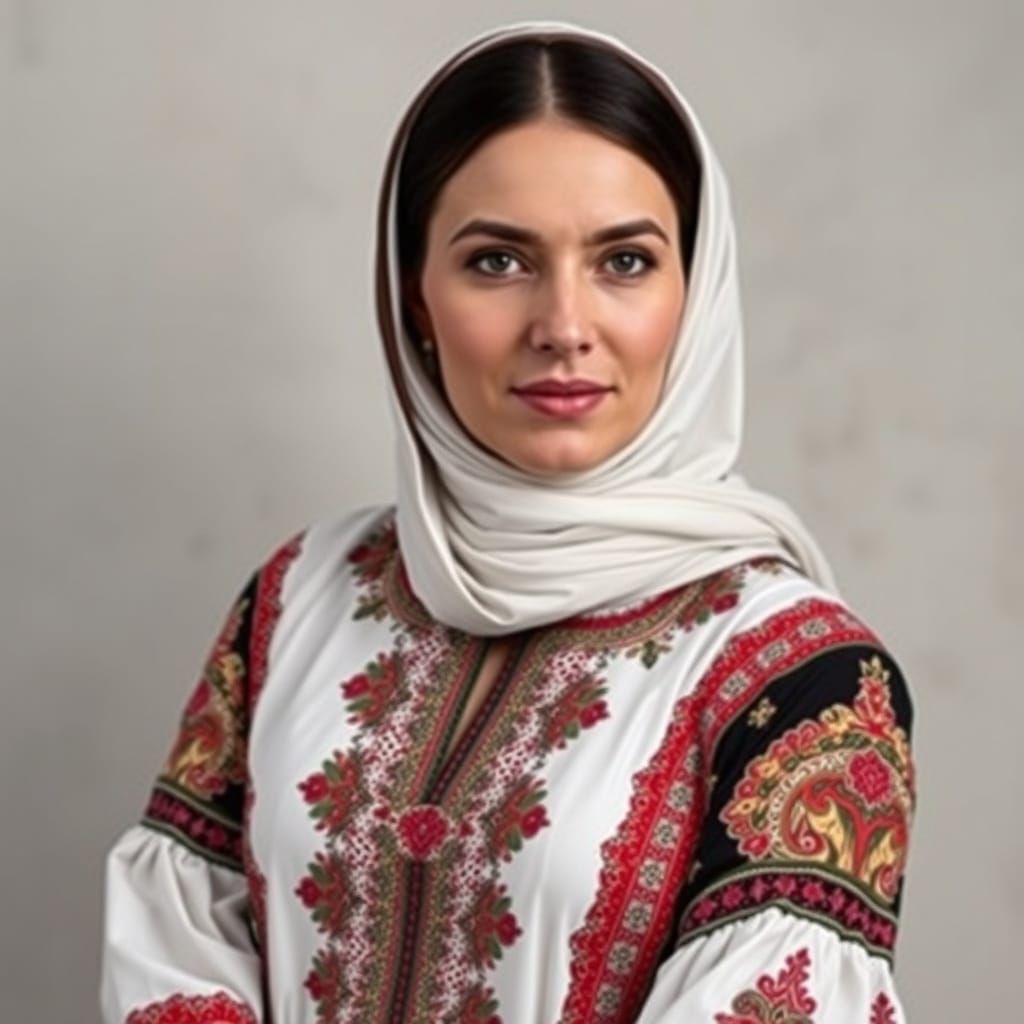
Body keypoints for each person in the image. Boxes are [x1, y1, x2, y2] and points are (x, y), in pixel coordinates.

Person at [100, 20, 915, 1024]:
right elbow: (175, 936)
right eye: (496, 261)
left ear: (694, 293)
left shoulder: (801, 677)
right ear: (415, 301)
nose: (563, 324)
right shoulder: (297, 596)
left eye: (623, 261)